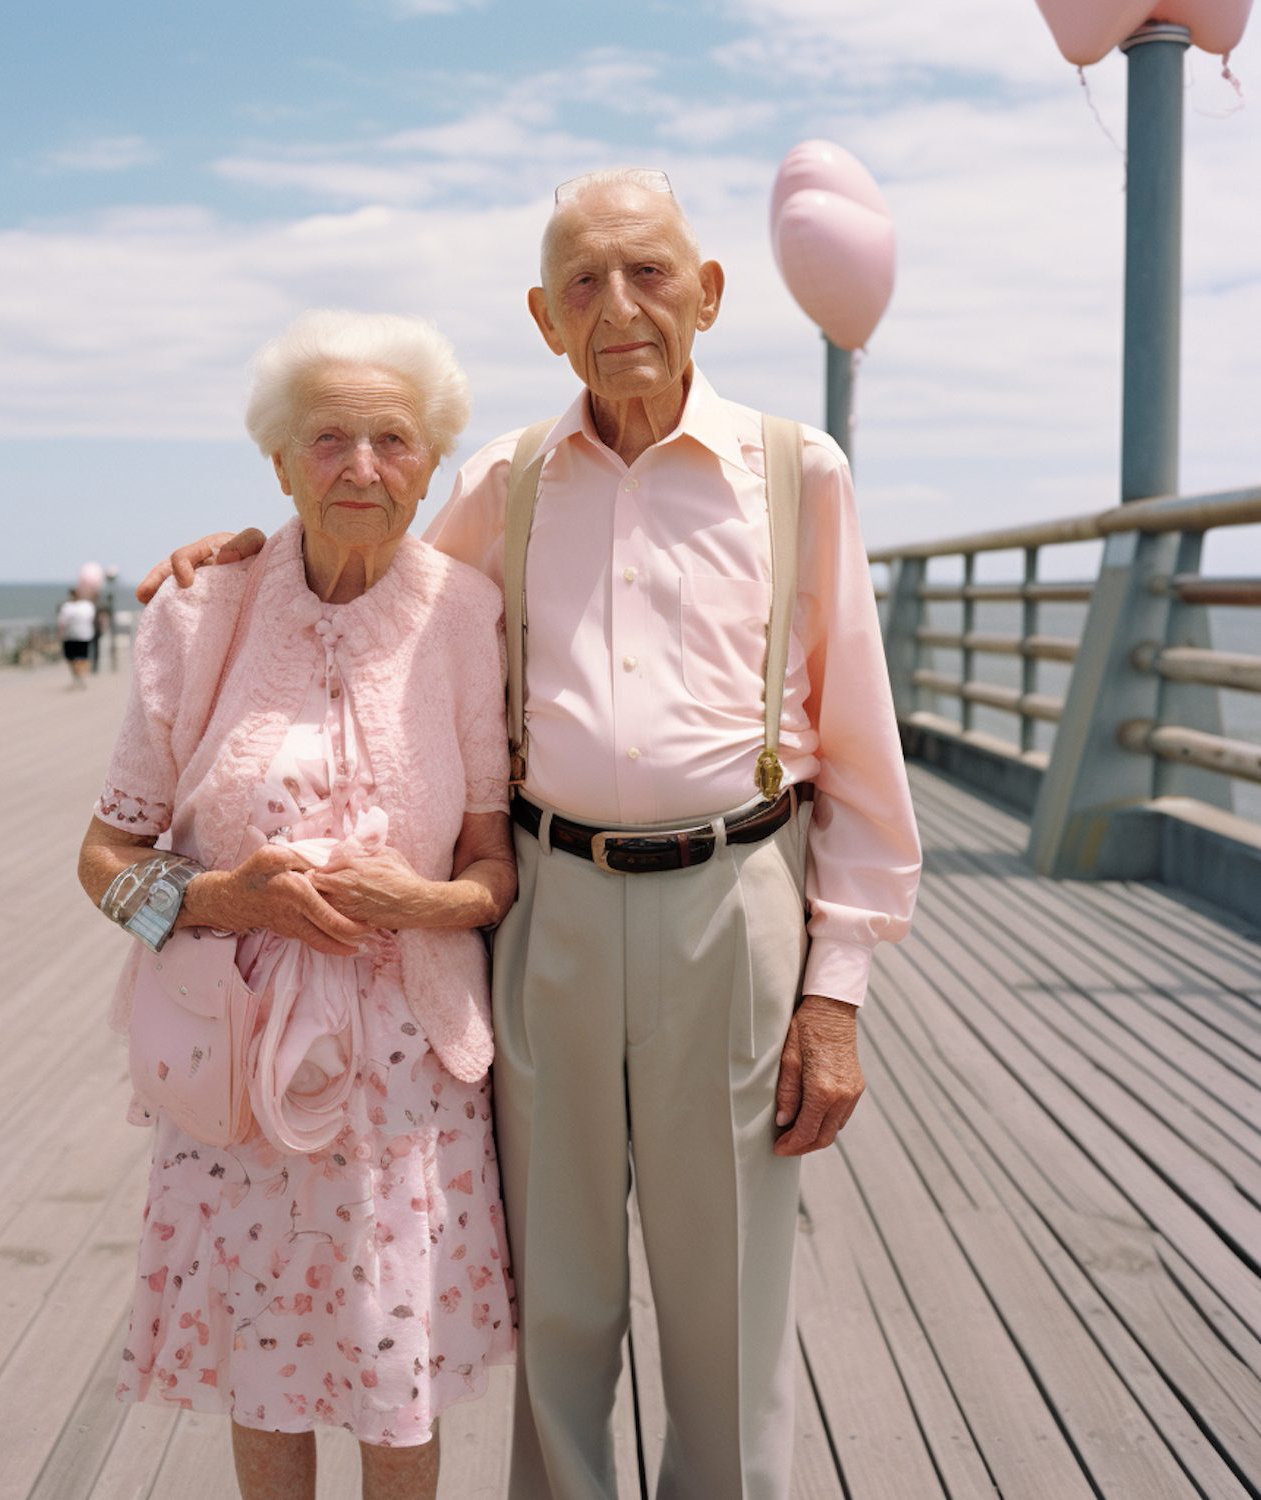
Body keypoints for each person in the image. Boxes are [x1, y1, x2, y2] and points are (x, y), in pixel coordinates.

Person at [142, 170, 922, 1500]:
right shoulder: (505, 480)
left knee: (729, 1290)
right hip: (544, 901)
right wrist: (244, 553)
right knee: (558, 1292)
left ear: (710, 294)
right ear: (545, 318)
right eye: (582, 285)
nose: (618, 307)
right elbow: (367, 555)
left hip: (735, 899)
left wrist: (835, 994)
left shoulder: (799, 472)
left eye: (649, 274)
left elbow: (860, 747)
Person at [77, 311, 518, 1500]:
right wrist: (226, 898)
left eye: (393, 440)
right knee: (265, 1371)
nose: (362, 469)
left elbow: (495, 872)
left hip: (409, 1083)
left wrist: (418, 901)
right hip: (238, 1075)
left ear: (432, 463)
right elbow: (103, 858)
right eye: (328, 440)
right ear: (278, 462)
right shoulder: (197, 611)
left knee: (393, 1369)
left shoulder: (467, 615)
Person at [57, 588, 97, 686]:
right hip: (84, 635)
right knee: (81, 657)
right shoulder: (88, 606)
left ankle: (78, 676)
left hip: (71, 636)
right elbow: (91, 619)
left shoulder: (67, 607)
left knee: (73, 658)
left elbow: (62, 623)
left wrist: (60, 634)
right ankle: (80, 676)